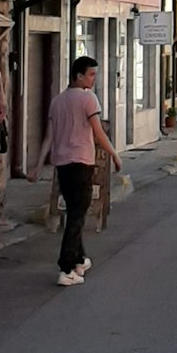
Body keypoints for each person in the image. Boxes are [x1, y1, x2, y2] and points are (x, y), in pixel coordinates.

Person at [32, 57, 121, 286]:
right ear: (78, 76)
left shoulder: (57, 101)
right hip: (82, 162)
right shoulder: (88, 99)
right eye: (91, 74)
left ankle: (79, 259)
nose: (94, 79)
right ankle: (66, 267)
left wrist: (38, 165)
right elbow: (99, 132)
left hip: (62, 164)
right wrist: (114, 154)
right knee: (76, 215)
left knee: (74, 211)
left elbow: (49, 137)